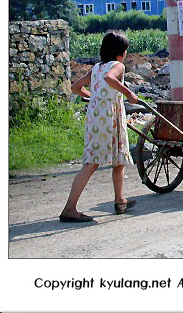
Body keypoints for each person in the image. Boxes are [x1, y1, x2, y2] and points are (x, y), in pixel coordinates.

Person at [59, 30, 138, 222]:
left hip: (96, 117)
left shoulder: (96, 68)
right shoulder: (117, 66)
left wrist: (94, 96)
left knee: (118, 159)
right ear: (121, 51)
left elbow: (76, 87)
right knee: (92, 163)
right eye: (125, 50)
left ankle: (120, 201)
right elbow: (109, 79)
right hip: (109, 118)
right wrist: (129, 94)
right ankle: (69, 209)